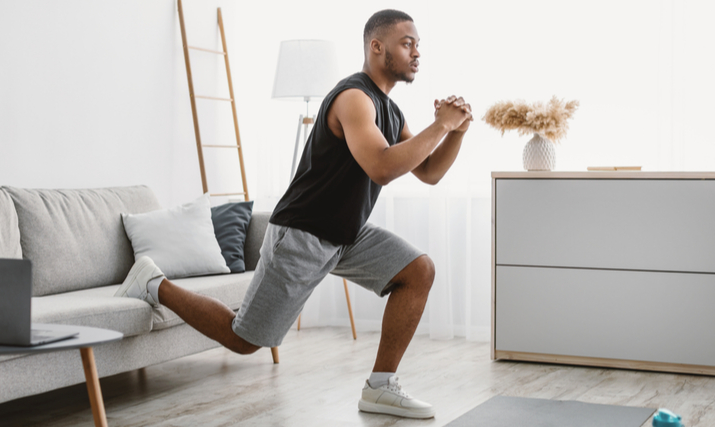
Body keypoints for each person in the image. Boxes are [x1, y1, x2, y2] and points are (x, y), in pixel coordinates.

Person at [115, 9, 472, 419]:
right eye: (407, 43)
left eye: (418, 45)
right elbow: (383, 167)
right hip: (302, 233)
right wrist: (441, 125)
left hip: (346, 235)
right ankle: (153, 283)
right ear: (377, 47)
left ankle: (380, 387)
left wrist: (455, 132)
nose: (416, 52)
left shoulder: (390, 111)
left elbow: (429, 172)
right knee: (245, 340)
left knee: (417, 271)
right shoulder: (353, 97)